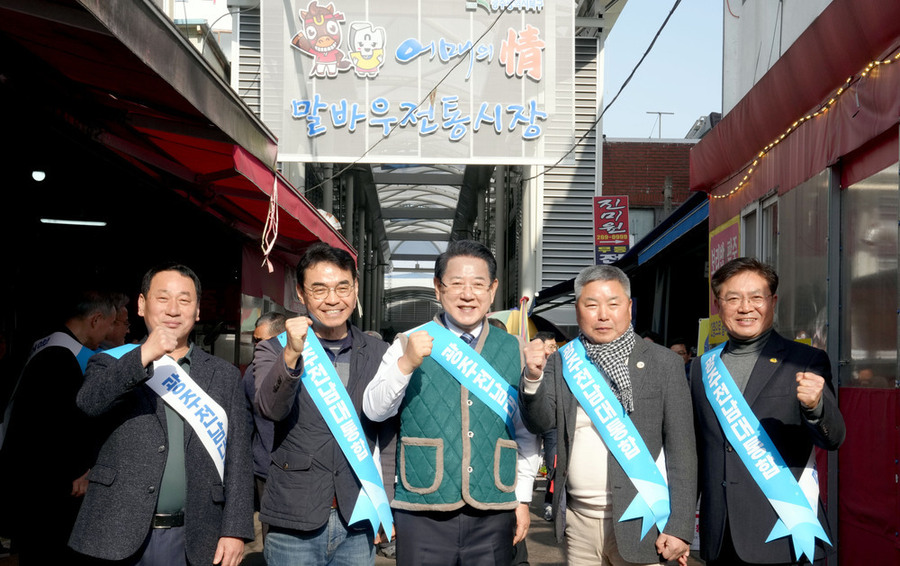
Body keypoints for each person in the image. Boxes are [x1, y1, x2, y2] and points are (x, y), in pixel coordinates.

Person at [363, 239, 540, 566]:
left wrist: (524, 498)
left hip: (494, 507)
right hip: (422, 508)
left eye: (478, 284)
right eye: (456, 283)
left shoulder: (515, 349)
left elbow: (525, 432)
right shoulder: (407, 342)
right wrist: (406, 364)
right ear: (438, 287)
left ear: (492, 289)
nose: (467, 294)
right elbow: (374, 409)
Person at [69, 264, 253, 566]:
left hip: (196, 536)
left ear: (197, 311)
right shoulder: (110, 362)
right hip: (115, 533)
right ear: (142, 305)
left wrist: (235, 530)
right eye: (163, 298)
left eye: (184, 300)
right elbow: (88, 403)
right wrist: (143, 355)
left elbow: (239, 458)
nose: (173, 309)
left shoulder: (224, 375)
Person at [520, 265, 697, 566]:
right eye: (591, 305)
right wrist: (532, 378)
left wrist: (680, 527)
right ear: (578, 309)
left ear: (629, 307)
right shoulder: (562, 361)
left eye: (613, 304)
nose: (603, 315)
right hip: (578, 522)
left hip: (644, 522)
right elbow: (541, 422)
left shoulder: (664, 363)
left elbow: (683, 450)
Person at [691, 257, 846, 566]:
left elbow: (833, 438)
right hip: (721, 536)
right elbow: (695, 452)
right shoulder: (701, 368)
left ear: (773, 302)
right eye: (733, 299)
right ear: (718, 305)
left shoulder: (804, 360)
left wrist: (816, 407)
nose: (745, 308)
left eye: (756, 297)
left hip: (786, 532)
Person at [254, 243, 397, 566]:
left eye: (342, 287)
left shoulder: (380, 353)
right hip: (293, 519)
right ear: (301, 293)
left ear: (355, 288)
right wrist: (292, 354)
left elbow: (388, 436)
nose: (332, 299)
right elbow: (270, 409)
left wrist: (385, 502)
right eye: (319, 289)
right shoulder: (274, 349)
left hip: (357, 516)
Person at [0, 290, 116, 564]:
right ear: (95, 320)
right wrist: (79, 469)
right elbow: (58, 428)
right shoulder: (63, 357)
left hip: (29, 481)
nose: (109, 332)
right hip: (48, 488)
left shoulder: (41, 345)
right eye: (110, 323)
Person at [242, 311, 287, 539]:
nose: (256, 347)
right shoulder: (251, 374)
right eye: (254, 341)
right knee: (273, 539)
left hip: (303, 471)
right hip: (266, 469)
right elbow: (245, 425)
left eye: (261, 341)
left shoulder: (311, 370)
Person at [532, 331, 559, 523]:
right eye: (550, 347)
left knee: (554, 464)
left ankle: (550, 503)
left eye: (554, 347)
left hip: (553, 425)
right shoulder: (528, 364)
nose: (553, 351)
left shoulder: (561, 365)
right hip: (530, 422)